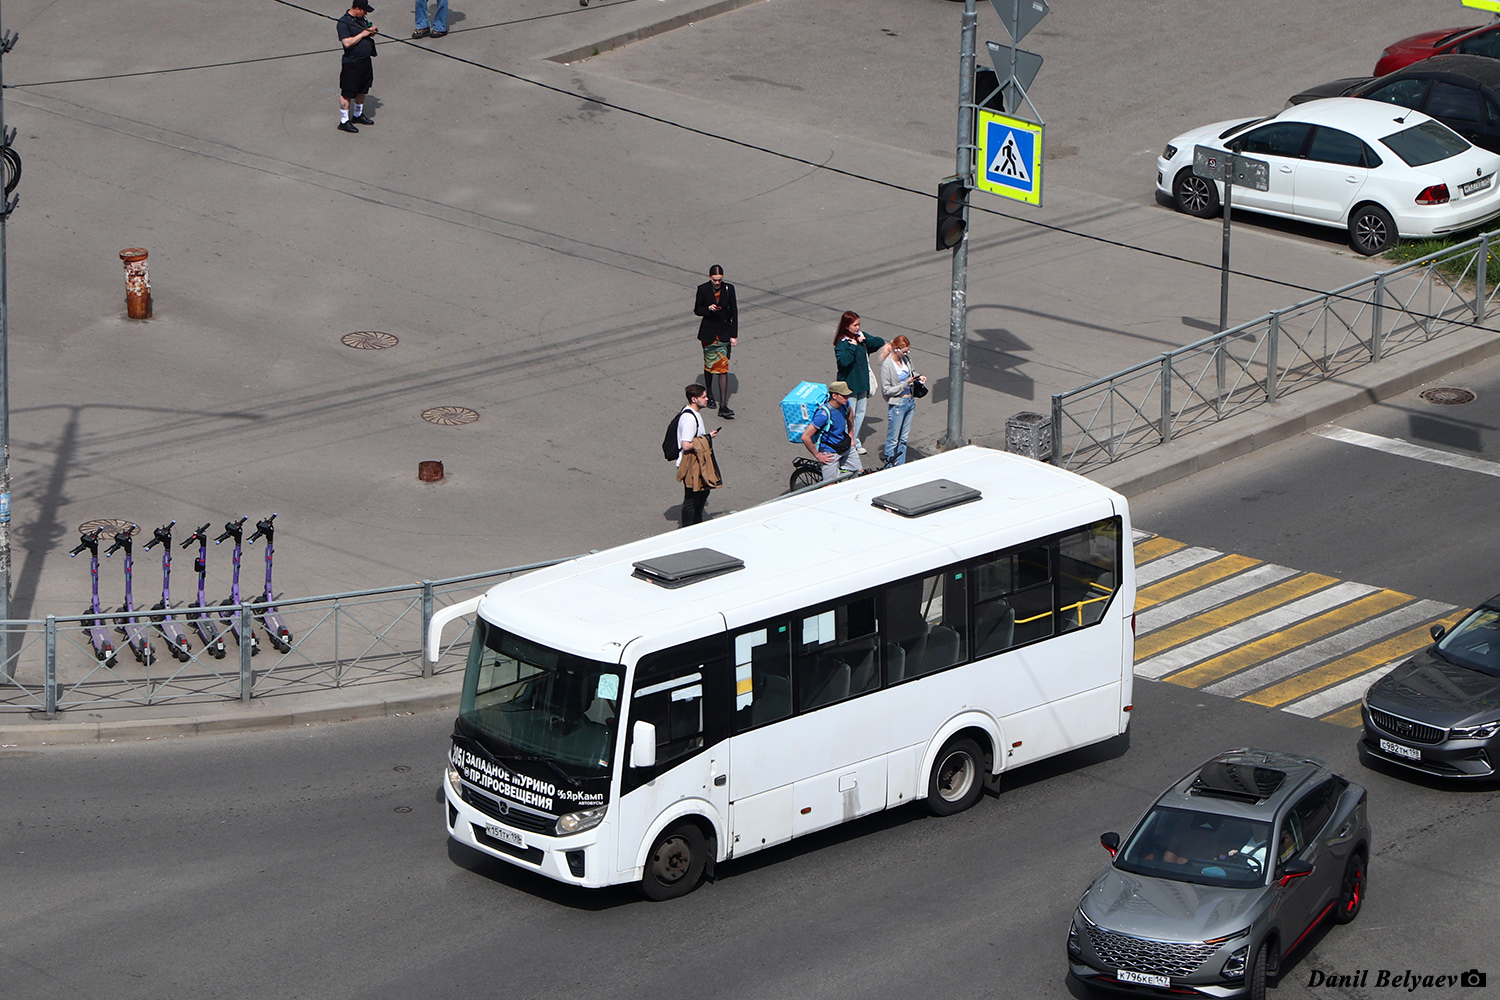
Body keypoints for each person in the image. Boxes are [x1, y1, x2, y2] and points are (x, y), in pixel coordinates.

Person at [832, 311, 888, 454]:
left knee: (860, 414)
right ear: (846, 326)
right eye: (855, 325)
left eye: (859, 324)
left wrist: (864, 340)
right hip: (849, 387)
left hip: (862, 384)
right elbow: (844, 362)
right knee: (849, 415)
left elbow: (880, 342)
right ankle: (846, 442)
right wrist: (852, 346)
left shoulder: (861, 337)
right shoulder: (841, 344)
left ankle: (855, 441)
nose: (858, 327)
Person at [693, 265, 738, 418]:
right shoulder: (703, 289)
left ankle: (723, 405)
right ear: (709, 277)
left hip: (724, 333)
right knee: (710, 365)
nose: (717, 283)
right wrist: (708, 309)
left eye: (719, 280)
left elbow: (734, 311)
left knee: (723, 367)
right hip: (709, 333)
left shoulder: (729, 289)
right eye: (715, 280)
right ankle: (710, 394)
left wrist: (734, 335)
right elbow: (697, 309)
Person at [675, 384, 722, 528]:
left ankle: (696, 524)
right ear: (694, 399)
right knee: (692, 498)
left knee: (702, 493)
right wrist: (707, 438)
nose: (707, 399)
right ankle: (689, 529)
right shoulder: (689, 419)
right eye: (704, 397)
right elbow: (686, 445)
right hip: (691, 464)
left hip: (696, 461)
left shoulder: (692, 413)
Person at [800, 381, 861, 482]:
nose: (847, 398)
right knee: (831, 486)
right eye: (844, 396)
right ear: (835, 395)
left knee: (859, 473)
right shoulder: (823, 415)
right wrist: (818, 455)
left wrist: (851, 434)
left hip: (844, 445)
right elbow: (805, 437)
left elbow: (850, 413)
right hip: (830, 452)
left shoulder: (845, 404)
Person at [879, 335, 926, 466]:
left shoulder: (906, 360)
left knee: (904, 439)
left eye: (907, 351)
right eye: (904, 351)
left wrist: (919, 377)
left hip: (910, 402)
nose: (906, 354)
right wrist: (905, 384)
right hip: (897, 404)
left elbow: (912, 372)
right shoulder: (887, 365)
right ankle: (889, 466)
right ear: (896, 349)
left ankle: (900, 465)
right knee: (893, 439)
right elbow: (887, 390)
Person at [336, 2, 379, 134]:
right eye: (364, 11)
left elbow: (364, 34)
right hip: (352, 63)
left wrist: (370, 33)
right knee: (348, 92)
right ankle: (344, 121)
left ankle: (357, 115)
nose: (366, 13)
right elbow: (347, 43)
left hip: (365, 60)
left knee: (363, 89)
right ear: (357, 8)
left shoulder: (361, 19)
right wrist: (363, 34)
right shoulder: (343, 23)